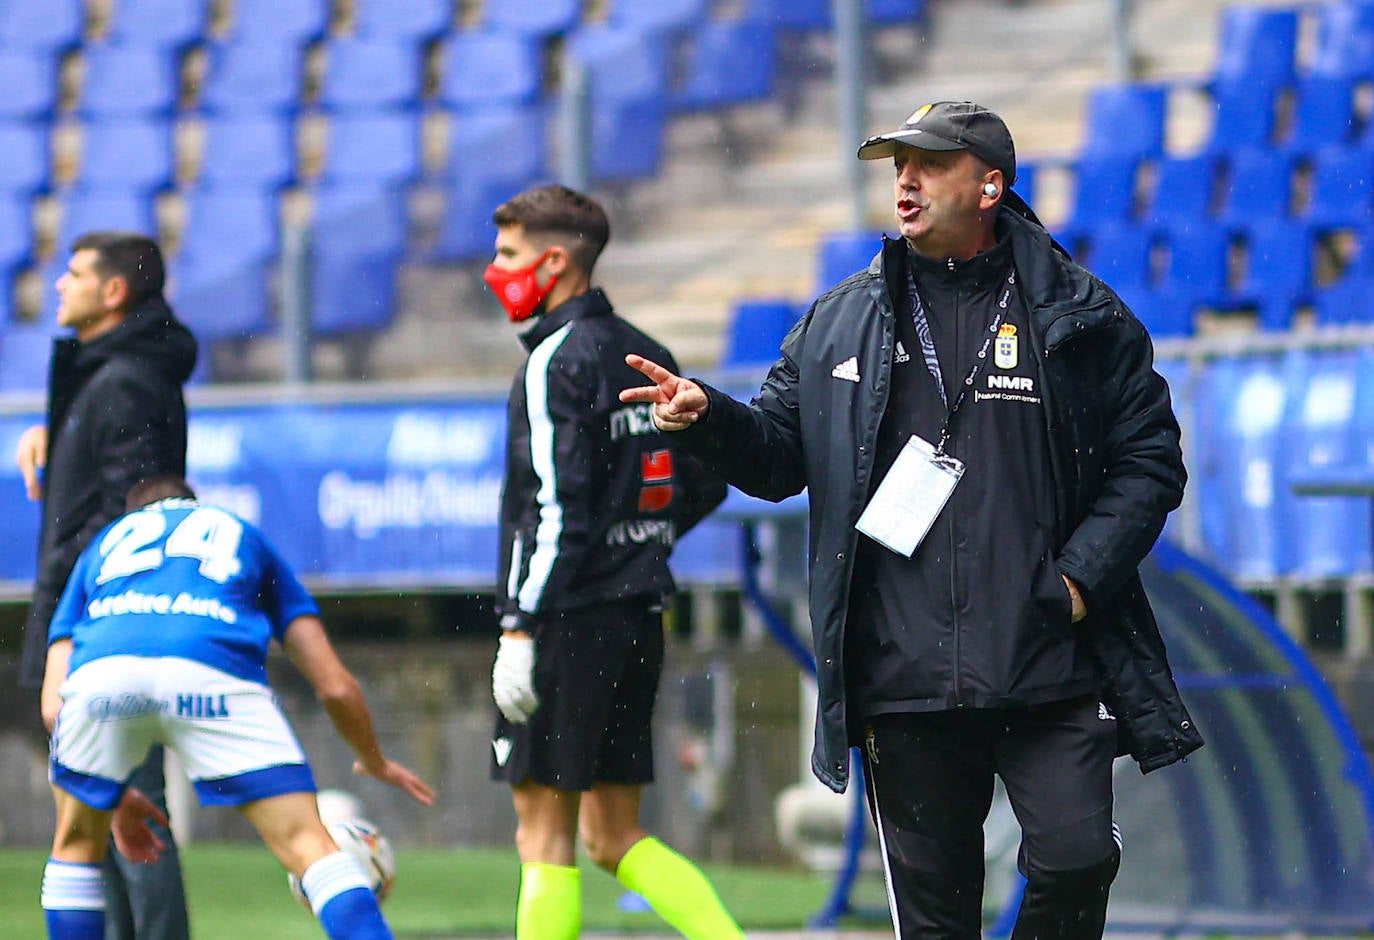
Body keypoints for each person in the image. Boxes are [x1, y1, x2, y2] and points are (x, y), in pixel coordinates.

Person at [620, 101, 1206, 939]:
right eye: (897, 162)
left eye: (928, 162)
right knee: (937, 925)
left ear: (990, 185)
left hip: (1049, 659)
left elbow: (1151, 459)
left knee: (1079, 857)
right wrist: (708, 416)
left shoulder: (1081, 312)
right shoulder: (839, 319)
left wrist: (1077, 581)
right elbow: (780, 458)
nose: (905, 178)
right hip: (905, 678)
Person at [482, 184, 740, 940]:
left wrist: (518, 626)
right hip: (637, 614)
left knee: (544, 836)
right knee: (612, 835)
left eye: (507, 256)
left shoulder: (552, 362)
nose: (493, 272)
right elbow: (706, 475)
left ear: (554, 261)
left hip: (563, 621)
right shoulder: (647, 353)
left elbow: (557, 511)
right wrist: (641, 543)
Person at [39, 476, 435, 940]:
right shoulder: (240, 534)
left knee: (75, 846)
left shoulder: (103, 548)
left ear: (134, 515)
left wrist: (108, 792)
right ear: (193, 506)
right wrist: (373, 758)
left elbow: (54, 704)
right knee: (310, 845)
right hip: (208, 666)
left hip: (103, 678)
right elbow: (335, 688)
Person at [16, 231, 199, 939]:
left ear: (114, 292)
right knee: (101, 811)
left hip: (102, 625)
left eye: (75, 273)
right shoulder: (111, 376)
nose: (59, 284)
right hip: (87, 618)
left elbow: (136, 512)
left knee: (129, 808)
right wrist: (57, 434)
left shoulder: (125, 381)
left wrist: (72, 628)